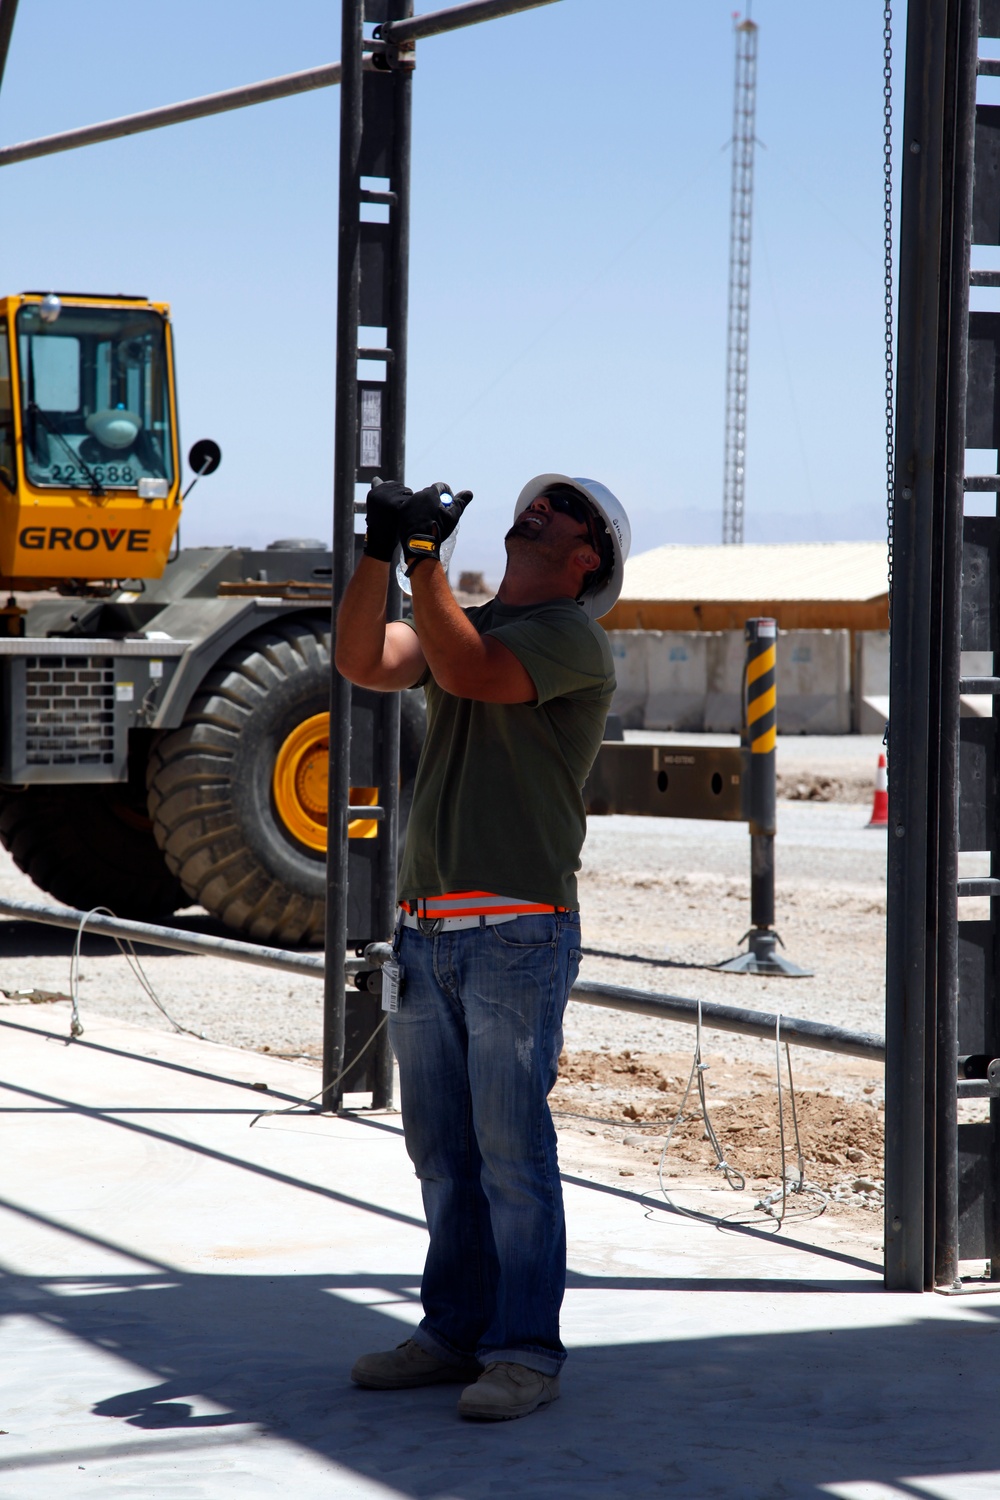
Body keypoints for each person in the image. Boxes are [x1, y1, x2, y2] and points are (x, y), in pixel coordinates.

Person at [335, 472, 630, 1421]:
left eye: (564, 508)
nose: (537, 505)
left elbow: (467, 672)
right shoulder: (469, 621)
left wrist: (423, 559)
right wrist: (380, 551)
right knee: (442, 1153)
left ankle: (524, 1353)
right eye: (537, 497)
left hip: (517, 931)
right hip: (429, 932)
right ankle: (452, 1333)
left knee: (510, 1151)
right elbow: (359, 660)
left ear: (589, 558)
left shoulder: (568, 638)